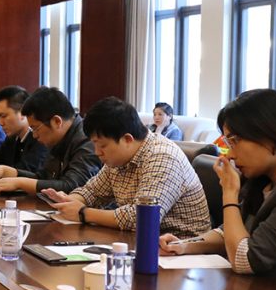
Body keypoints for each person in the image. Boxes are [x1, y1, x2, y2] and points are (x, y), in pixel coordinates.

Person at [159, 89, 276, 288]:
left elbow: (245, 259)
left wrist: (229, 193)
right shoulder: (264, 179)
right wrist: (184, 245)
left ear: (271, 134)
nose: (229, 155)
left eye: (234, 141)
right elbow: (230, 232)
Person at [42, 97, 211, 235]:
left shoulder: (162, 156)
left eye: (102, 145)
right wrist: (69, 202)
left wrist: (82, 213)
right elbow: (93, 191)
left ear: (127, 139)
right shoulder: (119, 158)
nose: (97, 152)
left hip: (180, 250)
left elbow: (140, 219)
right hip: (139, 241)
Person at [0, 86, 100, 195]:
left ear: (56, 122)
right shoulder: (59, 138)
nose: (34, 136)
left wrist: (20, 183)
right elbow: (44, 177)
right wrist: (11, 172)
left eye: (35, 128)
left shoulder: (87, 139)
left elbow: (73, 186)